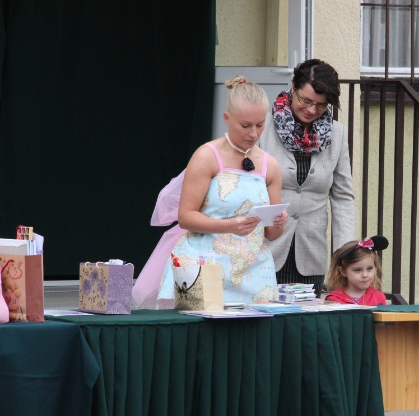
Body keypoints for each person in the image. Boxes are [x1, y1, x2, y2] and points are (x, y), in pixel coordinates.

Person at [147, 76, 288, 307]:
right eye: (245, 125)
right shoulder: (206, 156)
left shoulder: (270, 165)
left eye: (260, 125)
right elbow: (186, 217)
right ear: (227, 118)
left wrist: (279, 222)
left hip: (253, 273)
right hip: (205, 266)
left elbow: (271, 234)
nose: (254, 133)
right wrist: (229, 226)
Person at [259, 59, 355, 296]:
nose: (312, 110)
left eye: (321, 105)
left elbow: (343, 198)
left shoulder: (337, 134)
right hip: (264, 249)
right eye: (306, 100)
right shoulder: (262, 126)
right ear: (293, 87)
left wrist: (345, 253)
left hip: (311, 254)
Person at [324, 236, 388, 306]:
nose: (365, 275)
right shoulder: (334, 300)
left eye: (369, 269)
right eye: (358, 270)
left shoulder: (379, 297)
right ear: (343, 271)